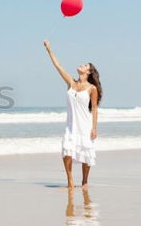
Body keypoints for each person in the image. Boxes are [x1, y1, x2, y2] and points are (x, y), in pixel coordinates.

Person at [43, 40, 103, 188]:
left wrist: (94, 128)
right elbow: (58, 66)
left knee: (86, 152)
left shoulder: (92, 88)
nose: (81, 65)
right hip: (71, 124)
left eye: (85, 65)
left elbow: (94, 108)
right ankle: (70, 180)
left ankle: (84, 182)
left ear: (88, 72)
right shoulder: (71, 82)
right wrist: (49, 49)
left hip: (85, 124)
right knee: (67, 150)